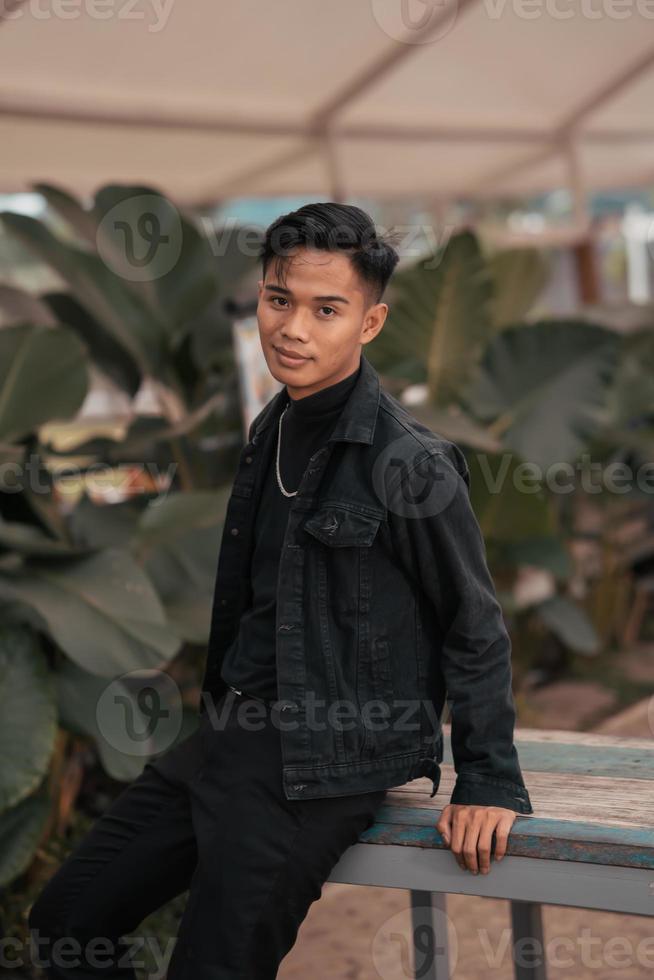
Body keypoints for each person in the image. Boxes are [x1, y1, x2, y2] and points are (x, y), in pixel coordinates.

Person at [28, 202, 533, 979]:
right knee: (68, 920)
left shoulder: (410, 462)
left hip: (323, 762)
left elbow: (474, 622)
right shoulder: (273, 426)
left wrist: (490, 778)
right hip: (230, 737)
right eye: (278, 300)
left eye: (326, 309)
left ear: (370, 323)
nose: (293, 327)